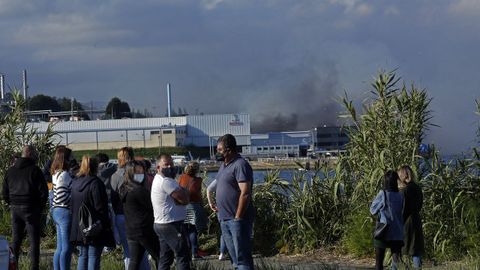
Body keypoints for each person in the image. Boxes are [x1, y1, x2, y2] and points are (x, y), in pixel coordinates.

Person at [2, 145, 48, 270]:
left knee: (16, 240)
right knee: (34, 241)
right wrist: (39, 207)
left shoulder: (10, 171)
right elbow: (43, 193)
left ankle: (13, 266)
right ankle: (34, 267)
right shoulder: (35, 170)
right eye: (35, 154)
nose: (37, 156)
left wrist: (11, 202)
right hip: (31, 208)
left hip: (15, 208)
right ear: (30, 154)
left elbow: (4, 193)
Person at [215, 134, 255, 270]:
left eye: (220, 150)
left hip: (236, 220)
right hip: (224, 219)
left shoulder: (240, 165)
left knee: (242, 259)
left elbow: (245, 192)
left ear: (229, 150)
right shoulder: (224, 165)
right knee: (234, 260)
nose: (217, 153)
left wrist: (238, 217)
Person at [70, 155, 115, 270]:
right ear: (96, 167)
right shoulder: (96, 183)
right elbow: (100, 207)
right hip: (94, 226)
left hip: (79, 226)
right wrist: (105, 224)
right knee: (93, 256)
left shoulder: (75, 183)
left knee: (83, 255)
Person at [151, 154, 191, 270]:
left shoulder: (157, 179)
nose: (169, 167)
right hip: (171, 224)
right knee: (183, 255)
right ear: (158, 167)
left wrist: (182, 194)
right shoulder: (166, 181)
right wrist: (184, 193)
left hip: (161, 223)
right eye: (166, 165)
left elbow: (180, 198)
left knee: (166, 257)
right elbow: (184, 199)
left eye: (171, 164)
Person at [119, 160, 160, 269]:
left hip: (131, 230)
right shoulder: (139, 190)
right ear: (130, 173)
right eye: (137, 172)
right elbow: (152, 206)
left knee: (135, 260)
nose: (141, 174)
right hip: (144, 229)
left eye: (142, 171)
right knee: (160, 257)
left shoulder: (124, 188)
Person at [370, 170, 404, 270]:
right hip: (398, 232)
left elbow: (373, 210)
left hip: (383, 231)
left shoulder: (383, 194)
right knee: (395, 263)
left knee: (379, 263)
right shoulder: (400, 195)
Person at [178, 161, 208, 259]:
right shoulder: (198, 180)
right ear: (197, 170)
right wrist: (202, 205)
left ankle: (186, 253)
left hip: (182, 206)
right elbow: (198, 195)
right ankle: (194, 253)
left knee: (185, 231)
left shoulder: (182, 177)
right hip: (194, 207)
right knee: (193, 230)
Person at [51, 146, 74, 270]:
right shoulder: (64, 175)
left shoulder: (56, 173)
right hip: (64, 211)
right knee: (66, 247)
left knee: (59, 247)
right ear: (66, 159)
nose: (73, 159)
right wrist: (73, 198)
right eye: (71, 157)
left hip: (56, 211)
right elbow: (61, 196)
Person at [110, 147, 134, 268]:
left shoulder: (114, 176)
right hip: (135, 215)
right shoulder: (137, 173)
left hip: (120, 214)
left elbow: (113, 199)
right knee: (140, 250)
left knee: (128, 252)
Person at [398, 165, 424, 269]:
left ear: (403, 175)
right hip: (416, 219)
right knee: (415, 249)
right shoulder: (417, 188)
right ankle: (418, 268)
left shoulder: (404, 190)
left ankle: (406, 268)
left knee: (406, 249)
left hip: (407, 222)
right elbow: (420, 204)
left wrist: (399, 222)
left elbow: (403, 209)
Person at [206, 179, 229, 261]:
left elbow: (209, 189)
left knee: (224, 232)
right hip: (232, 208)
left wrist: (211, 204)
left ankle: (222, 253)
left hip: (220, 208)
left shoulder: (220, 176)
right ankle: (229, 252)